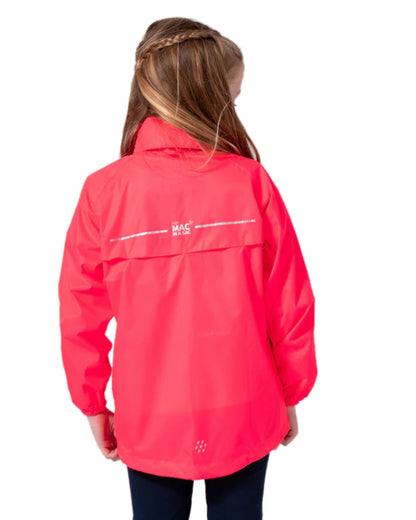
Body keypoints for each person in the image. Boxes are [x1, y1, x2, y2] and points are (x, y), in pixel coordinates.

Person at [58, 16, 318, 520]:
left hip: (150, 415)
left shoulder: (104, 192)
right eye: (231, 102)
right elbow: (290, 303)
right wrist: (291, 393)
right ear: (206, 99)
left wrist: (92, 403)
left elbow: (79, 313)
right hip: (246, 407)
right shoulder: (251, 183)